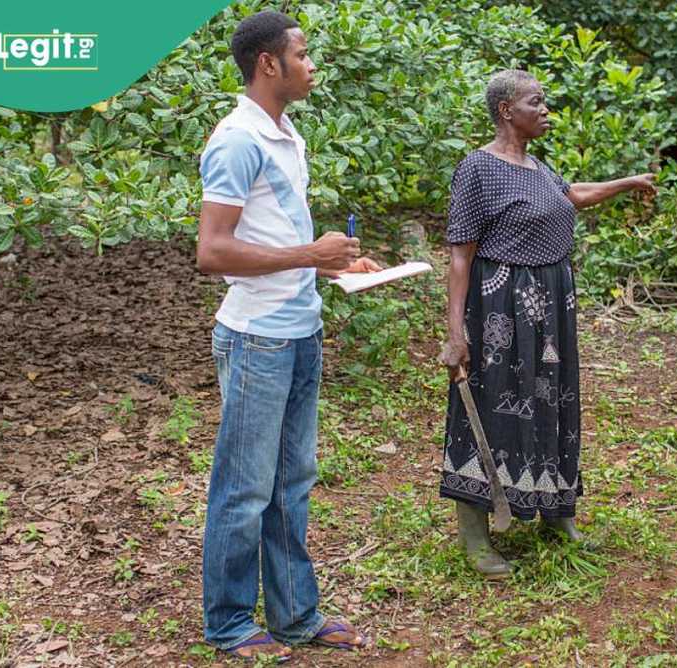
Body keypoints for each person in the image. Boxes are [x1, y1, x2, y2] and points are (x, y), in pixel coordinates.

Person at [195, 10, 379, 662]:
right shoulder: (237, 140)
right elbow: (212, 252)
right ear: (269, 64)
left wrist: (335, 262)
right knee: (245, 491)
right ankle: (227, 625)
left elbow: (275, 238)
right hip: (257, 342)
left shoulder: (283, 131)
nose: (311, 64)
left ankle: (297, 614)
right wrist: (309, 252)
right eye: (301, 54)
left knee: (290, 484)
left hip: (300, 332)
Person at [437, 69, 656, 578]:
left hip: (553, 307)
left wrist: (627, 182)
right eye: (536, 101)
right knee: (494, 406)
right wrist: (456, 334)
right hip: (501, 310)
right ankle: (476, 534)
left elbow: (571, 195)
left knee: (553, 400)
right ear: (506, 110)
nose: (546, 108)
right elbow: (460, 258)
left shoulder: (537, 167)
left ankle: (556, 512)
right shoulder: (478, 169)